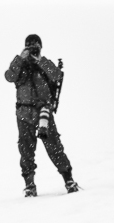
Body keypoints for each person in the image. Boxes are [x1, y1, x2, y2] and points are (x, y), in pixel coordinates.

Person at [5, 34, 79, 197]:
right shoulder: (20, 65)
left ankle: (68, 179)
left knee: (54, 146)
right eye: (29, 46)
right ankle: (29, 185)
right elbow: (9, 76)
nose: (32, 49)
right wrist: (20, 58)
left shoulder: (45, 63)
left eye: (35, 46)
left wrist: (40, 61)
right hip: (24, 113)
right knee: (26, 150)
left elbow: (57, 76)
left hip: (43, 111)